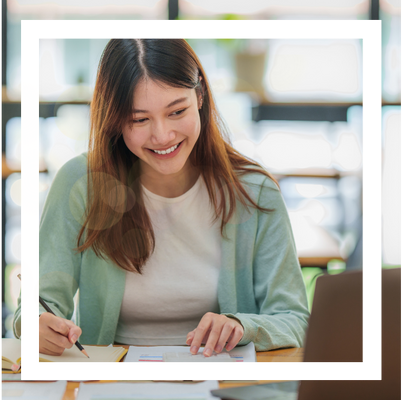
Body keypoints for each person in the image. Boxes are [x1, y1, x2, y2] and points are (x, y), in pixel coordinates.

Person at [13, 39, 309, 357]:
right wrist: (35, 323)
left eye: (176, 111)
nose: (162, 136)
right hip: (110, 383)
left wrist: (243, 326)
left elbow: (294, 320)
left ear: (200, 96)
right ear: (114, 119)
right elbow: (36, 306)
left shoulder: (253, 190)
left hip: (221, 384)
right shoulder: (81, 183)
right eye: (140, 119)